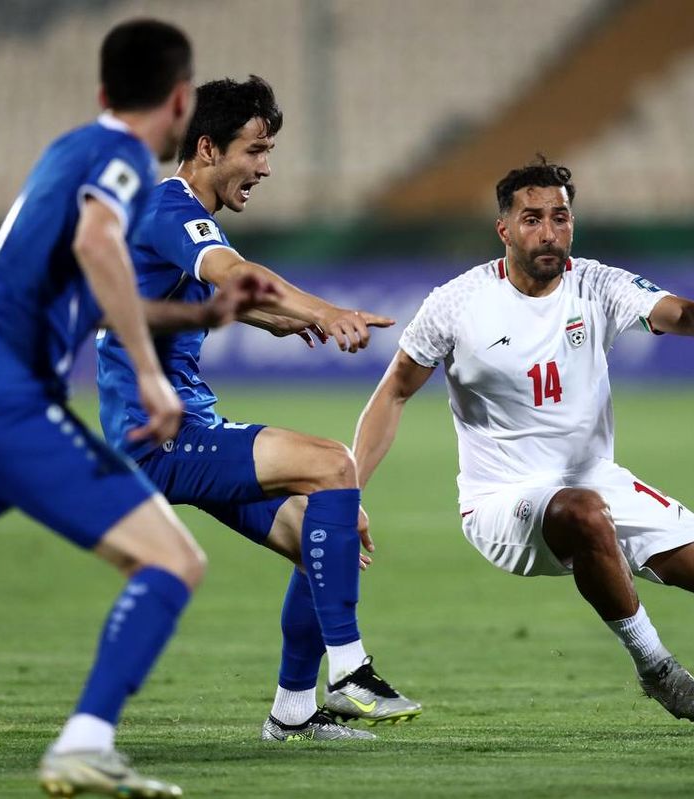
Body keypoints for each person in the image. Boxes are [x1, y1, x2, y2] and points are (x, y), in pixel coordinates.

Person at [0, 20, 266, 798]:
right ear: (179, 102)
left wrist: (196, 315)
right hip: (4, 404)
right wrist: (151, 377)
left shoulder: (67, 152)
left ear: (102, 91)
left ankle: (83, 744)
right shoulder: (123, 159)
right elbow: (100, 247)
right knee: (173, 560)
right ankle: (84, 743)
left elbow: (90, 290)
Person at [353, 158, 694, 727]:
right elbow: (393, 393)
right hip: (501, 500)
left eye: (561, 217)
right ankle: (656, 665)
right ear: (504, 229)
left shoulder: (596, 284)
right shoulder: (456, 303)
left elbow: (677, 311)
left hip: (594, 480)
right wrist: (349, 493)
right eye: (532, 219)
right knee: (584, 512)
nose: (549, 232)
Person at [95, 76, 421, 743]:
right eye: (255, 150)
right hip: (158, 435)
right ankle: (350, 670)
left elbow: (204, 298)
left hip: (182, 426)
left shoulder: (172, 217)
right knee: (334, 464)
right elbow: (234, 274)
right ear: (207, 148)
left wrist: (275, 320)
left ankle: (292, 713)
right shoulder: (171, 209)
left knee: (321, 542)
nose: (265, 167)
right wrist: (324, 311)